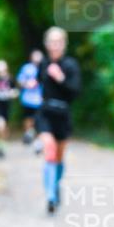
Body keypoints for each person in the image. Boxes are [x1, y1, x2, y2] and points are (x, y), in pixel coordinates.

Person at [36, 27, 81, 214]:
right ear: (46, 44)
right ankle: (50, 196)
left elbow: (76, 91)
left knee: (59, 157)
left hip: (62, 114)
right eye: (51, 42)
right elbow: (38, 84)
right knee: (50, 150)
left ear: (64, 44)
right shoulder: (43, 64)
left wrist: (60, 78)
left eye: (58, 42)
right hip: (45, 113)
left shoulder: (70, 65)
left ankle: (55, 185)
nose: (54, 45)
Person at [17, 49, 45, 153]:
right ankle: (28, 133)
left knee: (39, 121)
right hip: (28, 100)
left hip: (41, 100)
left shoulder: (44, 68)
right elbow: (20, 81)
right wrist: (26, 84)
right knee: (28, 119)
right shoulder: (26, 68)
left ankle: (37, 142)